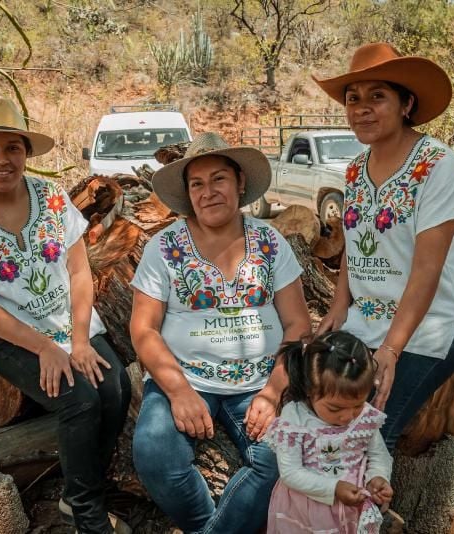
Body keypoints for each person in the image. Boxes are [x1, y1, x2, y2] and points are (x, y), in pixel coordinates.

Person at [0, 98, 131, 534]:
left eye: (12, 149)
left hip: (70, 322)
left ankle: (77, 492)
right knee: (78, 400)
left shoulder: (53, 199)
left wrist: (78, 342)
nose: (1, 160)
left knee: (115, 388)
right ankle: (87, 513)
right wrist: (45, 348)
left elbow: (79, 272)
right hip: (11, 336)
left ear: (26, 153)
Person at [129, 132, 312, 533]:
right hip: (186, 376)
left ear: (240, 183)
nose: (208, 192)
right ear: (187, 193)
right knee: (155, 453)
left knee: (283, 460)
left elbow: (298, 323)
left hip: (258, 381)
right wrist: (177, 390)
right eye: (197, 183)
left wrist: (273, 391)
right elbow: (143, 329)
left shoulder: (269, 241)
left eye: (219, 179)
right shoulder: (164, 248)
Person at [313, 42, 454, 452]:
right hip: (366, 320)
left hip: (432, 325)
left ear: (407, 104)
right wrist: (339, 305)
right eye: (353, 98)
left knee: (368, 428)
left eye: (377, 96)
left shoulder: (438, 166)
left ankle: (369, 513)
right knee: (320, 407)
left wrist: (391, 348)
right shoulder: (355, 169)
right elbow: (354, 244)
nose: (361, 108)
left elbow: (427, 268)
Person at [264, 330, 393, 533]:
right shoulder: (295, 418)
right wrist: (334, 488)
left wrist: (377, 477)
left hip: (351, 511)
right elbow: (290, 472)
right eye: (335, 408)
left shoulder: (365, 417)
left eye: (358, 405)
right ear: (309, 390)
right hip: (304, 512)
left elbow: (379, 455)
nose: (348, 416)